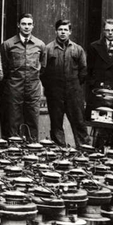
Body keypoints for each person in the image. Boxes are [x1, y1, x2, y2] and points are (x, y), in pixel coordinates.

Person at [42, 19, 89, 147]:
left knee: (79, 122)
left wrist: (74, 85)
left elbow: (83, 71)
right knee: (56, 123)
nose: (63, 32)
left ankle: (83, 150)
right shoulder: (48, 49)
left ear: (70, 32)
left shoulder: (78, 49)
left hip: (73, 92)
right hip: (55, 93)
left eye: (65, 30)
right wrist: (50, 87)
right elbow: (43, 72)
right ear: (56, 31)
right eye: (60, 30)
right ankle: (59, 151)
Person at [0, 13, 46, 141]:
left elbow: (43, 67)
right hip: (14, 86)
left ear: (33, 26)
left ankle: (32, 147)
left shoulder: (40, 45)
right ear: (18, 25)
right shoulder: (8, 44)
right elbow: (4, 67)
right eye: (24, 24)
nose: (26, 27)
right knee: (13, 118)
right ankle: (14, 148)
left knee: (32, 117)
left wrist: (34, 80)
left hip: (33, 87)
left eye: (29, 24)